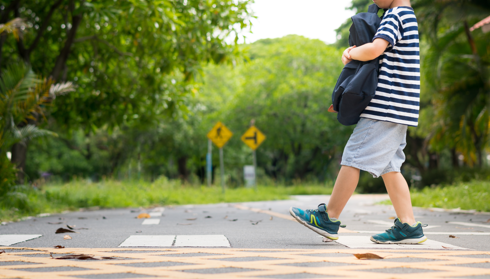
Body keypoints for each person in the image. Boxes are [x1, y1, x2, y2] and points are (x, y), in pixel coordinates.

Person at [290, 0, 426, 244]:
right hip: (399, 108)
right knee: (390, 167)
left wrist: (351, 52)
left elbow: (374, 50)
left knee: (353, 156)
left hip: (385, 107)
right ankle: (408, 225)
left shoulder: (394, 16)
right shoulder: (408, 17)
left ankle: (328, 218)